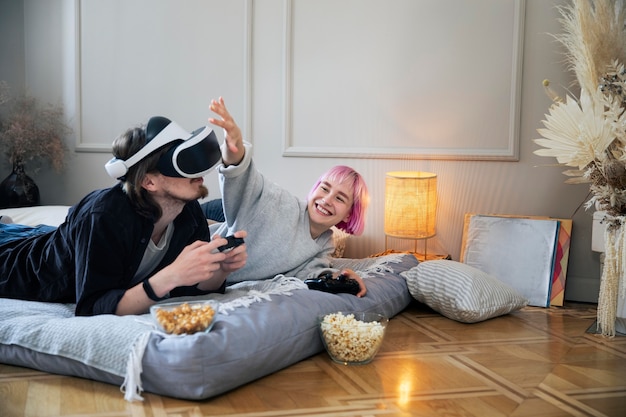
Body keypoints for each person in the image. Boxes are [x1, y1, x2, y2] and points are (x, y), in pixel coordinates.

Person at [0, 115, 247, 316]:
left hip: (47, 236)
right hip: (14, 263)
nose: (200, 173)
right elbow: (93, 306)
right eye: (184, 165)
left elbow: (190, 290)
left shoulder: (187, 212)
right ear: (149, 181)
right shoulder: (104, 216)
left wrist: (220, 270)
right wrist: (168, 277)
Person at [207, 97, 370, 297]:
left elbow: (310, 275)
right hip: (207, 230)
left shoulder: (325, 244)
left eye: (340, 198)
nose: (327, 200)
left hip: (228, 234)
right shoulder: (279, 202)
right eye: (325, 188)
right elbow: (242, 175)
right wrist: (235, 148)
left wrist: (342, 278)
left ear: (348, 214)